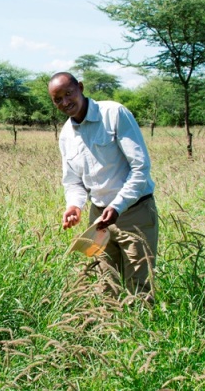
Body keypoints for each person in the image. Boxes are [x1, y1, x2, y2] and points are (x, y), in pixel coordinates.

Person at [48, 72, 158, 303]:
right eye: (58, 99)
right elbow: (73, 181)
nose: (65, 102)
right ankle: (112, 326)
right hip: (99, 219)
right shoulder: (66, 134)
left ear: (80, 87)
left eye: (69, 94)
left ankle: (139, 326)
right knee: (106, 286)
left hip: (134, 213)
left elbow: (140, 167)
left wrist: (118, 206)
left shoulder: (114, 113)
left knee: (139, 289)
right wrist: (74, 206)